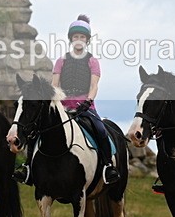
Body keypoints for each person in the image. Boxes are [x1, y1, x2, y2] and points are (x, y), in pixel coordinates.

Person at [11, 15, 120, 185]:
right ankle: (27, 168)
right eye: (75, 37)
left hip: (85, 106)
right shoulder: (61, 61)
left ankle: (108, 166)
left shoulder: (92, 61)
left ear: (87, 40)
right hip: (62, 106)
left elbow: (94, 85)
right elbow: (55, 85)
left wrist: (88, 101)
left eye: (82, 37)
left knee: (100, 129)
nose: (78, 40)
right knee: (38, 131)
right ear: (71, 39)